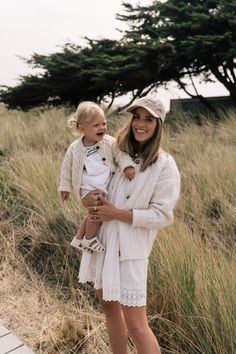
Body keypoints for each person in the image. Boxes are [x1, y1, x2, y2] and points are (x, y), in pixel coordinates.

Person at [78, 96, 181, 354]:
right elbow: (97, 188)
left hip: (131, 254)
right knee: (110, 312)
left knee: (137, 325)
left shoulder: (165, 165)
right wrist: (90, 201)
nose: (141, 124)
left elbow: (162, 216)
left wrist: (118, 213)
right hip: (102, 245)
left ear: (158, 124)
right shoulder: (117, 153)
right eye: (137, 117)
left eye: (148, 119)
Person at [58, 101, 136, 253]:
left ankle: (79, 238)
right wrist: (64, 188)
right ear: (82, 129)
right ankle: (89, 239)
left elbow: (121, 154)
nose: (102, 128)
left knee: (91, 213)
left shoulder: (109, 142)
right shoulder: (75, 148)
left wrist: (127, 166)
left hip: (102, 184)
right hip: (87, 186)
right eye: (96, 125)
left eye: (104, 123)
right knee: (97, 213)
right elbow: (66, 169)